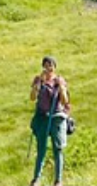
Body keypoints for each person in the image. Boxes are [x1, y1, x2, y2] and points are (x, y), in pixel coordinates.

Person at [29, 55, 71, 186]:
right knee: (41, 149)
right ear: (43, 67)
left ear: (55, 67)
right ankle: (36, 179)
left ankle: (58, 181)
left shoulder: (60, 80)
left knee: (58, 149)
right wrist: (38, 84)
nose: (48, 68)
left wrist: (61, 87)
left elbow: (65, 101)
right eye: (46, 65)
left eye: (51, 65)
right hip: (42, 118)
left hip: (57, 118)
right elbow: (32, 98)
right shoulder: (38, 80)